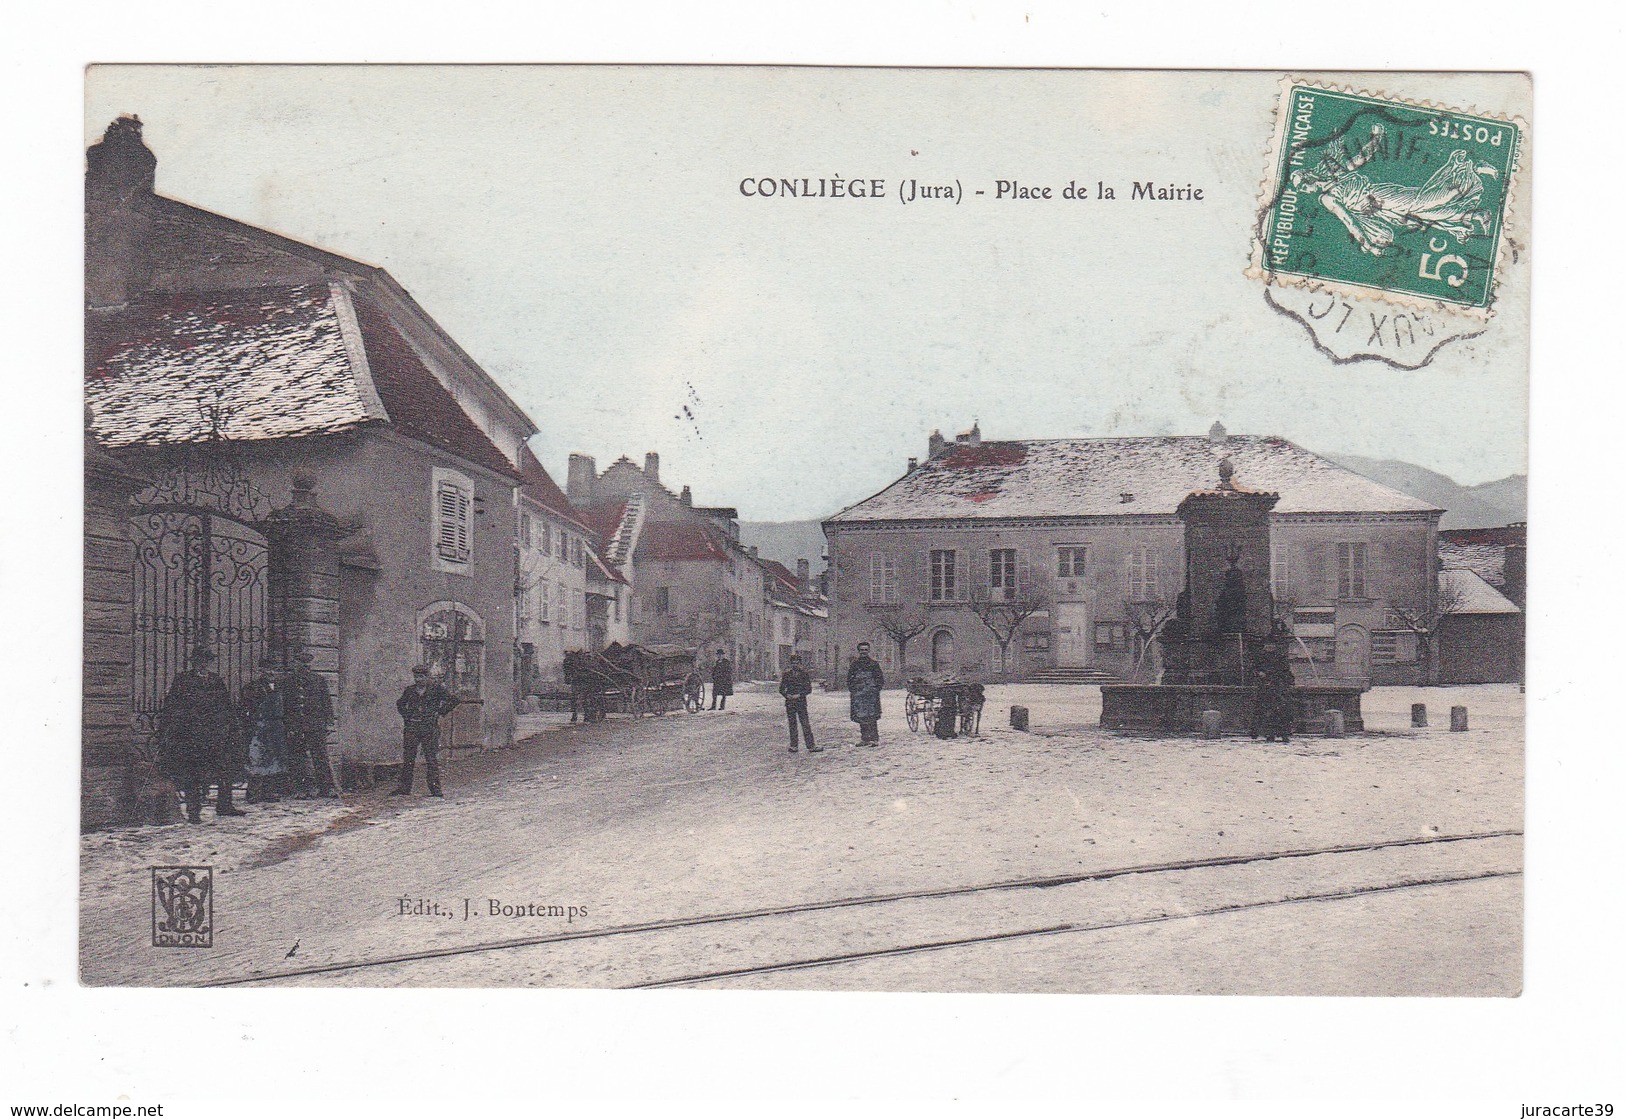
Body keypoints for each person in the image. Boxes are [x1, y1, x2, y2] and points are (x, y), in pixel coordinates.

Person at [158, 647, 245, 823]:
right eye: (200, 661)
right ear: (194, 662)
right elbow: (172, 706)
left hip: (215, 735)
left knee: (224, 770)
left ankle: (224, 805)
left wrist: (231, 727)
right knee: (193, 774)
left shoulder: (216, 680)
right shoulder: (183, 680)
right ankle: (194, 811)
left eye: (207, 661)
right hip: (192, 736)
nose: (203, 664)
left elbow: (226, 705)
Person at [392, 664, 458, 797]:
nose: (418, 680)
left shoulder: (436, 690)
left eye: (421, 677)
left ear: (427, 677)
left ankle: (435, 789)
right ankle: (405, 788)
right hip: (412, 728)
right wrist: (407, 716)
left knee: (431, 758)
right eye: (416, 677)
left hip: (429, 728)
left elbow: (454, 700)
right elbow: (400, 704)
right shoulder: (410, 691)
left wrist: (439, 712)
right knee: (409, 758)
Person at [286, 651, 337, 798]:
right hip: (296, 726)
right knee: (297, 758)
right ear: (295, 664)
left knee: (320, 757)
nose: (304, 667)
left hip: (315, 725)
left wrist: (329, 723)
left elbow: (326, 702)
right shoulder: (287, 682)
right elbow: (284, 706)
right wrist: (288, 726)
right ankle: (300, 789)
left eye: (307, 665)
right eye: (301, 664)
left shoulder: (318, 680)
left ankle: (326, 788)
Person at [239, 657, 288, 804]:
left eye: (275, 669)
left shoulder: (282, 688)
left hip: (276, 727)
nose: (271, 672)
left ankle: (269, 791)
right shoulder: (252, 687)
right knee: (256, 759)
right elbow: (244, 708)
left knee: (274, 758)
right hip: (259, 727)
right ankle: (253, 792)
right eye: (267, 669)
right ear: (261, 671)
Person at [778, 653, 821, 753]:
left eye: (797, 663)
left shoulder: (804, 674)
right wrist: (786, 695)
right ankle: (794, 746)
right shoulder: (786, 674)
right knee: (792, 724)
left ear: (800, 664)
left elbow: (808, 689)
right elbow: (781, 689)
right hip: (790, 703)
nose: (795, 665)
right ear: (791, 664)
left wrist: (799, 695)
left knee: (805, 724)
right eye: (793, 663)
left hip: (801, 702)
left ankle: (811, 745)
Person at [847, 642, 885, 747]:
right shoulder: (854, 664)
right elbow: (850, 678)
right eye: (862, 650)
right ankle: (864, 739)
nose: (863, 652)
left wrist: (875, 689)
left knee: (872, 715)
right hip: (859, 694)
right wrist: (853, 690)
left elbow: (880, 679)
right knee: (861, 716)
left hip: (871, 694)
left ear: (868, 651)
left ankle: (874, 739)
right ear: (859, 651)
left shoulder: (874, 664)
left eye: (865, 650)